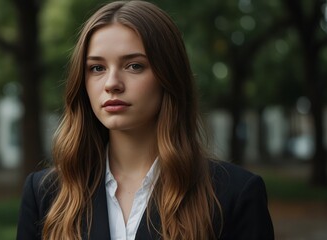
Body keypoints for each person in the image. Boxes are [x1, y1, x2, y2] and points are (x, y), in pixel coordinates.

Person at [16, 1, 274, 239]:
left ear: (169, 76)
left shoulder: (234, 194)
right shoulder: (46, 194)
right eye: (97, 68)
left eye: (134, 66)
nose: (112, 84)